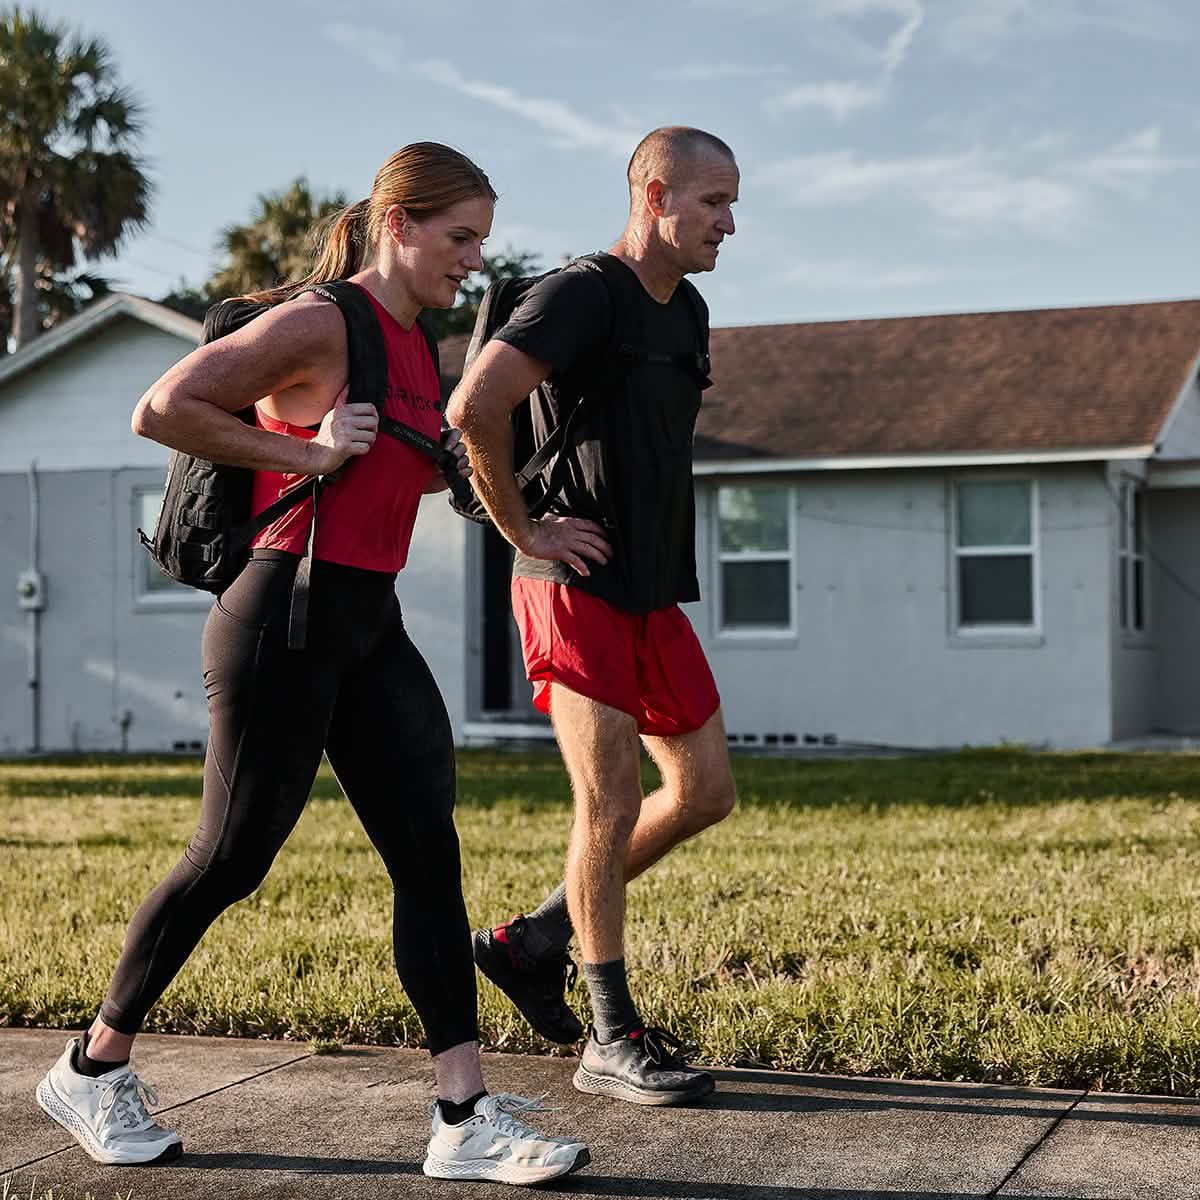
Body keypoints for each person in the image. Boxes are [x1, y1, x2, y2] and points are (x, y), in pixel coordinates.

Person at [35, 142, 589, 1187]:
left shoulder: (420, 347)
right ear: (399, 223)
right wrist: (310, 453)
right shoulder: (322, 321)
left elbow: (405, 474)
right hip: (280, 617)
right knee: (231, 859)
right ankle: (90, 1065)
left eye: (481, 239)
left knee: (428, 852)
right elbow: (162, 407)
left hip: (367, 621)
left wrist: (524, 522)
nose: (473, 258)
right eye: (458, 236)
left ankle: (461, 1115)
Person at [447, 126, 740, 1106]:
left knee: (703, 792)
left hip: (653, 588)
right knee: (608, 803)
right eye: (713, 204)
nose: (729, 224)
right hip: (572, 587)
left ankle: (534, 940)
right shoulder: (580, 293)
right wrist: (524, 531)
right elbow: (474, 408)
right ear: (656, 195)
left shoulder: (688, 311)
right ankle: (612, 1037)